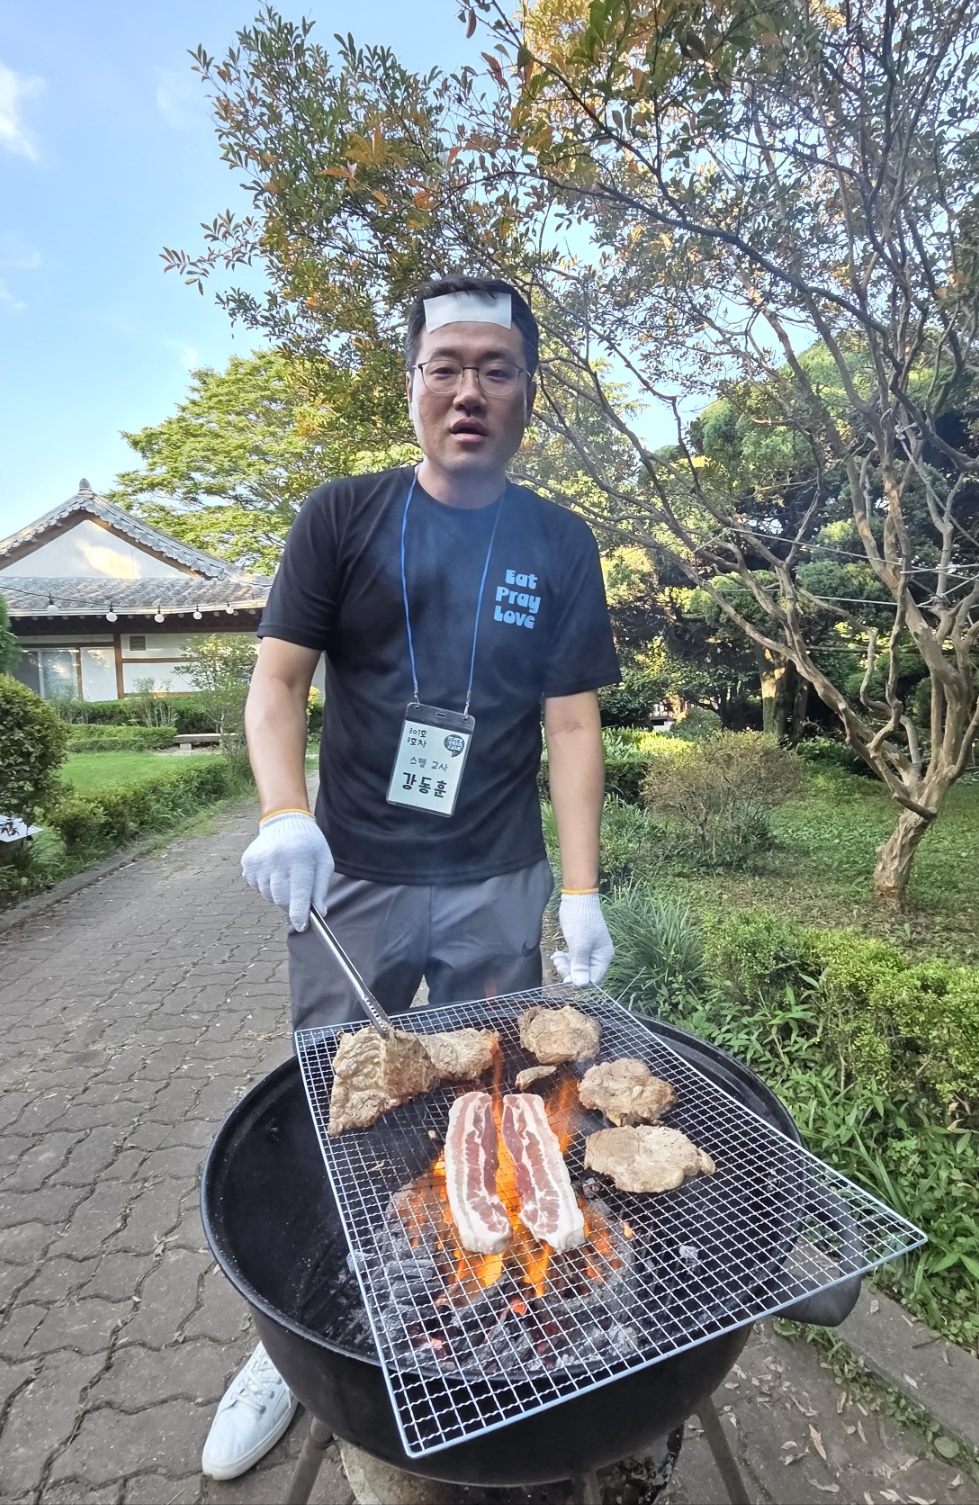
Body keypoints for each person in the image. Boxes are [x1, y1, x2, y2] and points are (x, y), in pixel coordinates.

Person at [200, 275, 621, 1480]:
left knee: (495, 1085)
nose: (469, 389)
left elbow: (573, 725)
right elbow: (278, 681)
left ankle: (491, 1277)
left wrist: (580, 890)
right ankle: (288, 1342)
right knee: (338, 1087)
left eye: (495, 367)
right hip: (357, 876)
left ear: (528, 390)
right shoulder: (343, 516)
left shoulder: (558, 540)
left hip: (496, 872)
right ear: (412, 386)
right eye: (446, 365)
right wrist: (285, 811)